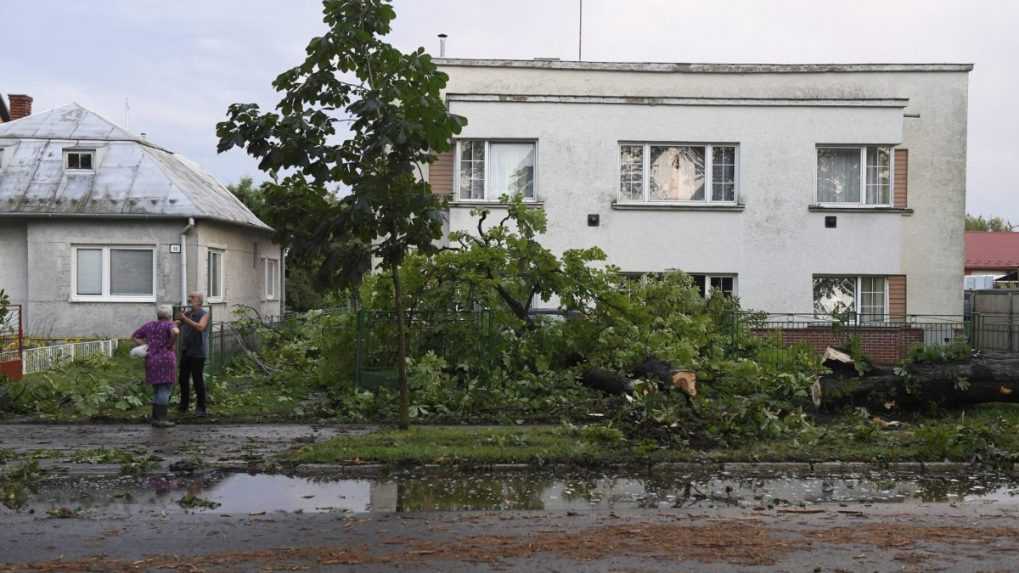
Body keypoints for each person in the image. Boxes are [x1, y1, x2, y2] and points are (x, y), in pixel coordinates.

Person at [132, 305, 180, 428]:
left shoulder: (149, 325)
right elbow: (176, 332)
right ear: (169, 316)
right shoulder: (169, 325)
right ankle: (161, 419)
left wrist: (147, 345)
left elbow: (134, 336)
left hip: (151, 359)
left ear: (158, 315)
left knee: (157, 389)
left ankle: (155, 417)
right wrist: (171, 343)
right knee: (165, 389)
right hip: (166, 359)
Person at [177, 292, 210, 416]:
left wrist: (185, 319)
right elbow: (175, 325)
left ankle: (201, 408)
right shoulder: (188, 314)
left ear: (199, 301)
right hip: (186, 351)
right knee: (183, 379)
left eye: (192, 298)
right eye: (189, 298)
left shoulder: (204, 314)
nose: (189, 300)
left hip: (198, 352)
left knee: (197, 380)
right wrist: (179, 318)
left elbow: (200, 327)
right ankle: (183, 406)